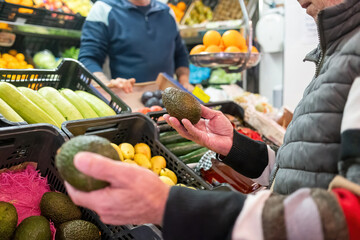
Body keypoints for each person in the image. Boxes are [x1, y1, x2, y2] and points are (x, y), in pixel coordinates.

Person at [65, 0, 360, 239]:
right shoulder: (336, 52)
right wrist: (235, 146)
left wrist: (171, 205)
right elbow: (307, 173)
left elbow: (350, 219)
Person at [78, 0, 191, 93]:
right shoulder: (103, 9)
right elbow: (88, 59)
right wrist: (106, 86)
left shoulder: (167, 12)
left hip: (166, 102)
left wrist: (184, 81)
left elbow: (180, 54)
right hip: (125, 102)